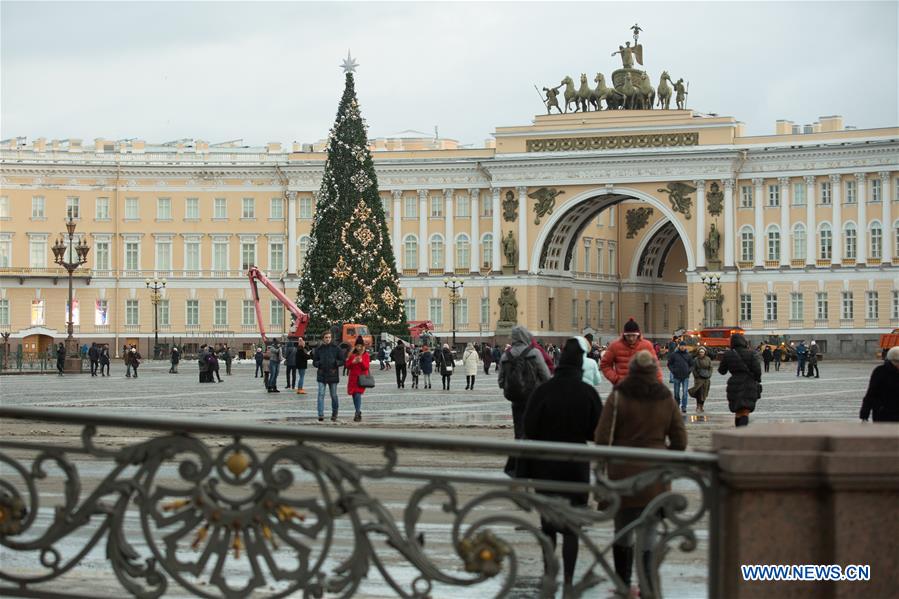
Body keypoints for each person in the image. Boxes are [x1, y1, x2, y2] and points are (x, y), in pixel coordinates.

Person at [594, 350, 687, 599]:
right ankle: (646, 586)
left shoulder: (619, 395)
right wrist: (665, 455)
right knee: (649, 532)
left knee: (622, 530)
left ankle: (623, 585)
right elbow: (680, 439)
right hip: (655, 476)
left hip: (622, 474)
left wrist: (604, 464)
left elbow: (602, 436)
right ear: (654, 369)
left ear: (632, 370)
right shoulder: (665, 397)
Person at [523, 338, 603, 595]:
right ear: (580, 365)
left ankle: (549, 573)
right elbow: (597, 432)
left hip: (544, 466)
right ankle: (568, 579)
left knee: (548, 525)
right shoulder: (587, 393)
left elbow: (529, 428)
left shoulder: (543, 391)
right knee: (572, 527)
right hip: (575, 466)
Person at [498, 326, 552, 441]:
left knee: (518, 428)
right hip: (534, 397)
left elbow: (501, 381)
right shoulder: (535, 353)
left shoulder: (505, 356)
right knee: (534, 428)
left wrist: (514, 385)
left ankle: (519, 451)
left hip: (515, 397)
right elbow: (546, 376)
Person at [600, 318, 663, 386]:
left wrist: (658, 384)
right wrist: (615, 379)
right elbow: (605, 364)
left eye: (633, 335)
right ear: (624, 335)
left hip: (643, 388)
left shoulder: (647, 345)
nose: (631, 338)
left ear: (638, 334)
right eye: (628, 335)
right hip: (622, 388)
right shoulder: (615, 346)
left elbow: (655, 365)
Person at [718, 333, 762, 427]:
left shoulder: (728, 354)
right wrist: (757, 379)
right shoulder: (751, 353)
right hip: (748, 383)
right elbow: (757, 370)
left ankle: (738, 433)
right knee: (745, 410)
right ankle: (742, 433)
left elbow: (722, 371)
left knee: (738, 411)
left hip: (734, 384)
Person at [859, 346, 899, 422]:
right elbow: (871, 394)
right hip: (883, 415)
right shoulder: (880, 372)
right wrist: (864, 415)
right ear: (894, 361)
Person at [313, 331, 344, 421]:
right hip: (321, 374)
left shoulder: (336, 348)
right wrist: (319, 363)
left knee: (333, 395)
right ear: (323, 338)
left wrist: (336, 363)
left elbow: (342, 360)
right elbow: (314, 362)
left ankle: (334, 412)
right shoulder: (319, 349)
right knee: (320, 394)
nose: (328, 339)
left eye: (329, 337)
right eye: (326, 337)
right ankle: (320, 414)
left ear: (331, 338)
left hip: (333, 374)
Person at [346, 336, 371, 422]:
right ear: (355, 346)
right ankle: (358, 411)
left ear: (363, 346)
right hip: (352, 378)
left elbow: (366, 367)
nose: (359, 347)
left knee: (357, 394)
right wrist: (353, 362)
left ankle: (357, 412)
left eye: (361, 346)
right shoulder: (352, 354)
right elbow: (347, 366)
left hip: (361, 378)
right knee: (354, 395)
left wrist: (361, 362)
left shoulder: (366, 355)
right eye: (357, 346)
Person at [667, 341, 694, 414]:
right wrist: (673, 371)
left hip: (685, 377)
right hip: (676, 376)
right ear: (679, 346)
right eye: (681, 346)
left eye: (684, 346)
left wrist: (689, 371)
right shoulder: (674, 355)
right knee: (676, 393)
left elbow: (692, 365)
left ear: (685, 347)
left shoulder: (688, 355)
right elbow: (669, 364)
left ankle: (684, 406)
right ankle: (676, 406)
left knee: (685, 393)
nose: (682, 347)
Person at [689, 347, 713, 413]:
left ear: (705, 352)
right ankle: (698, 406)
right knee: (698, 393)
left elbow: (711, 368)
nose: (701, 353)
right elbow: (694, 369)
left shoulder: (708, 359)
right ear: (698, 352)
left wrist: (709, 374)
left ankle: (702, 406)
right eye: (700, 352)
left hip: (706, 379)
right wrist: (696, 376)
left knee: (704, 393)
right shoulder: (696, 359)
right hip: (699, 379)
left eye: (702, 352)